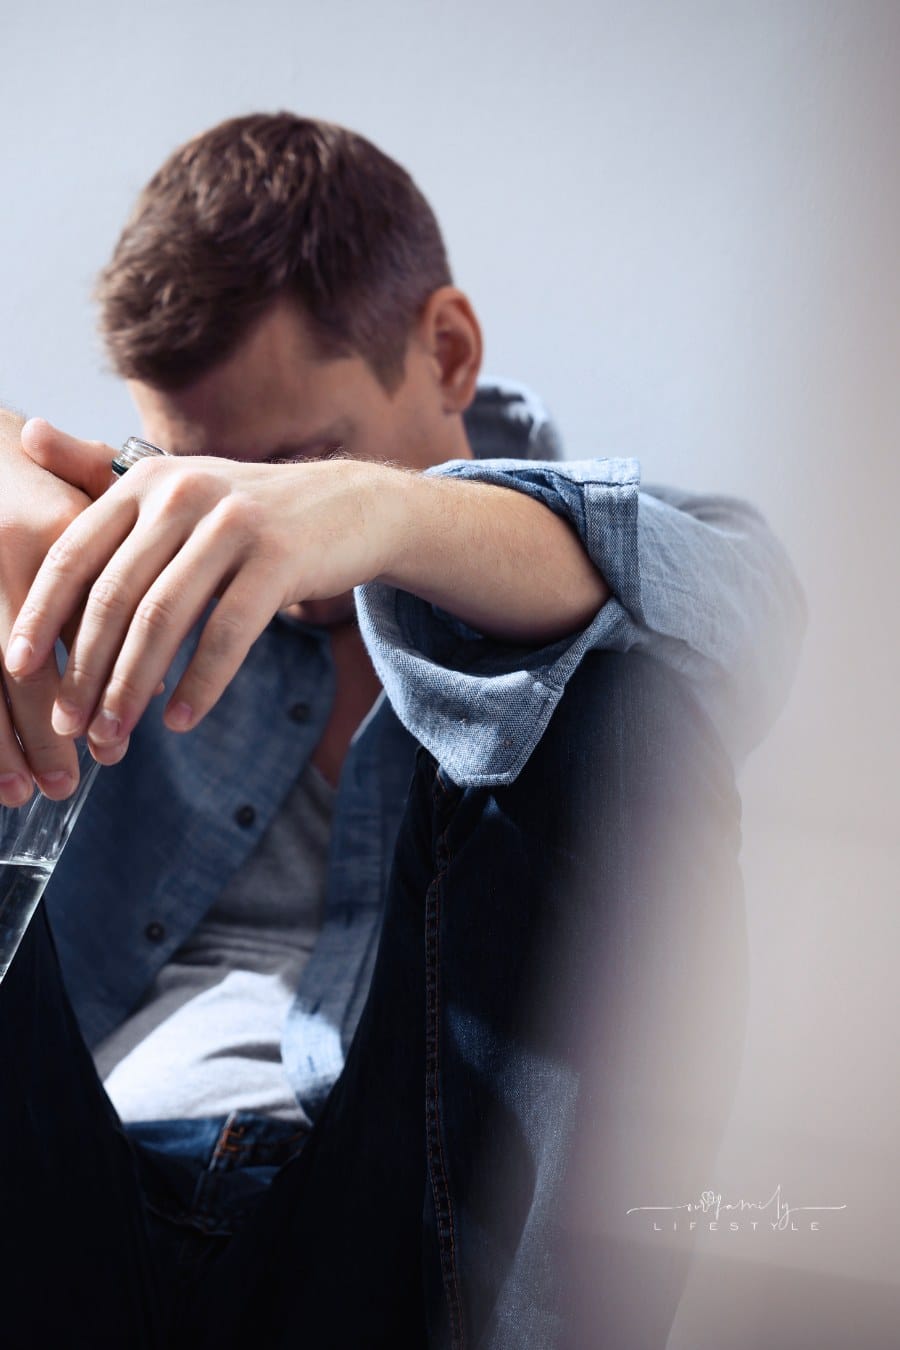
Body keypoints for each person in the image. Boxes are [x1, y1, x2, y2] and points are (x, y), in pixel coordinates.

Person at [0, 113, 804, 1347]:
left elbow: (746, 610)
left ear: (446, 350)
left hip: (409, 1240)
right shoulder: (128, 556)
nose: (235, 518)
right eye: (196, 476)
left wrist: (382, 521)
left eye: (292, 464)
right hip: (69, 1191)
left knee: (627, 697)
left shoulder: (605, 542)